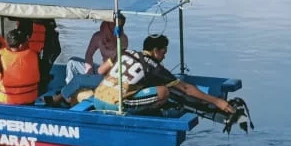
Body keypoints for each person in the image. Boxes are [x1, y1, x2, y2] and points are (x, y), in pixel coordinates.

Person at [93, 35, 235, 115]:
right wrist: (216, 101)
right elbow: (186, 88)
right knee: (163, 91)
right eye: (163, 53)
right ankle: (148, 115)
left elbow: (100, 71)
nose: (164, 57)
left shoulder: (125, 52)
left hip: (97, 97)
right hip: (114, 105)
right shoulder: (155, 67)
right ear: (155, 51)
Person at [0, 29, 40, 108]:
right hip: (29, 100)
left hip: (6, 102)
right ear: (21, 45)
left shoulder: (0, 57)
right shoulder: (33, 55)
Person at [65, 15, 128, 84]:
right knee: (72, 62)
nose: (117, 26)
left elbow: (116, 62)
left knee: (101, 72)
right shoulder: (97, 37)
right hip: (99, 70)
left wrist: (99, 72)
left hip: (112, 74)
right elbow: (89, 54)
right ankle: (70, 89)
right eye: (114, 23)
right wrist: (89, 69)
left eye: (120, 25)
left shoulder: (122, 39)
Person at [18, 18, 61, 94]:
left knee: (49, 57)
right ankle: (41, 82)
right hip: (32, 48)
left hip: (40, 46)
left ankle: (42, 81)